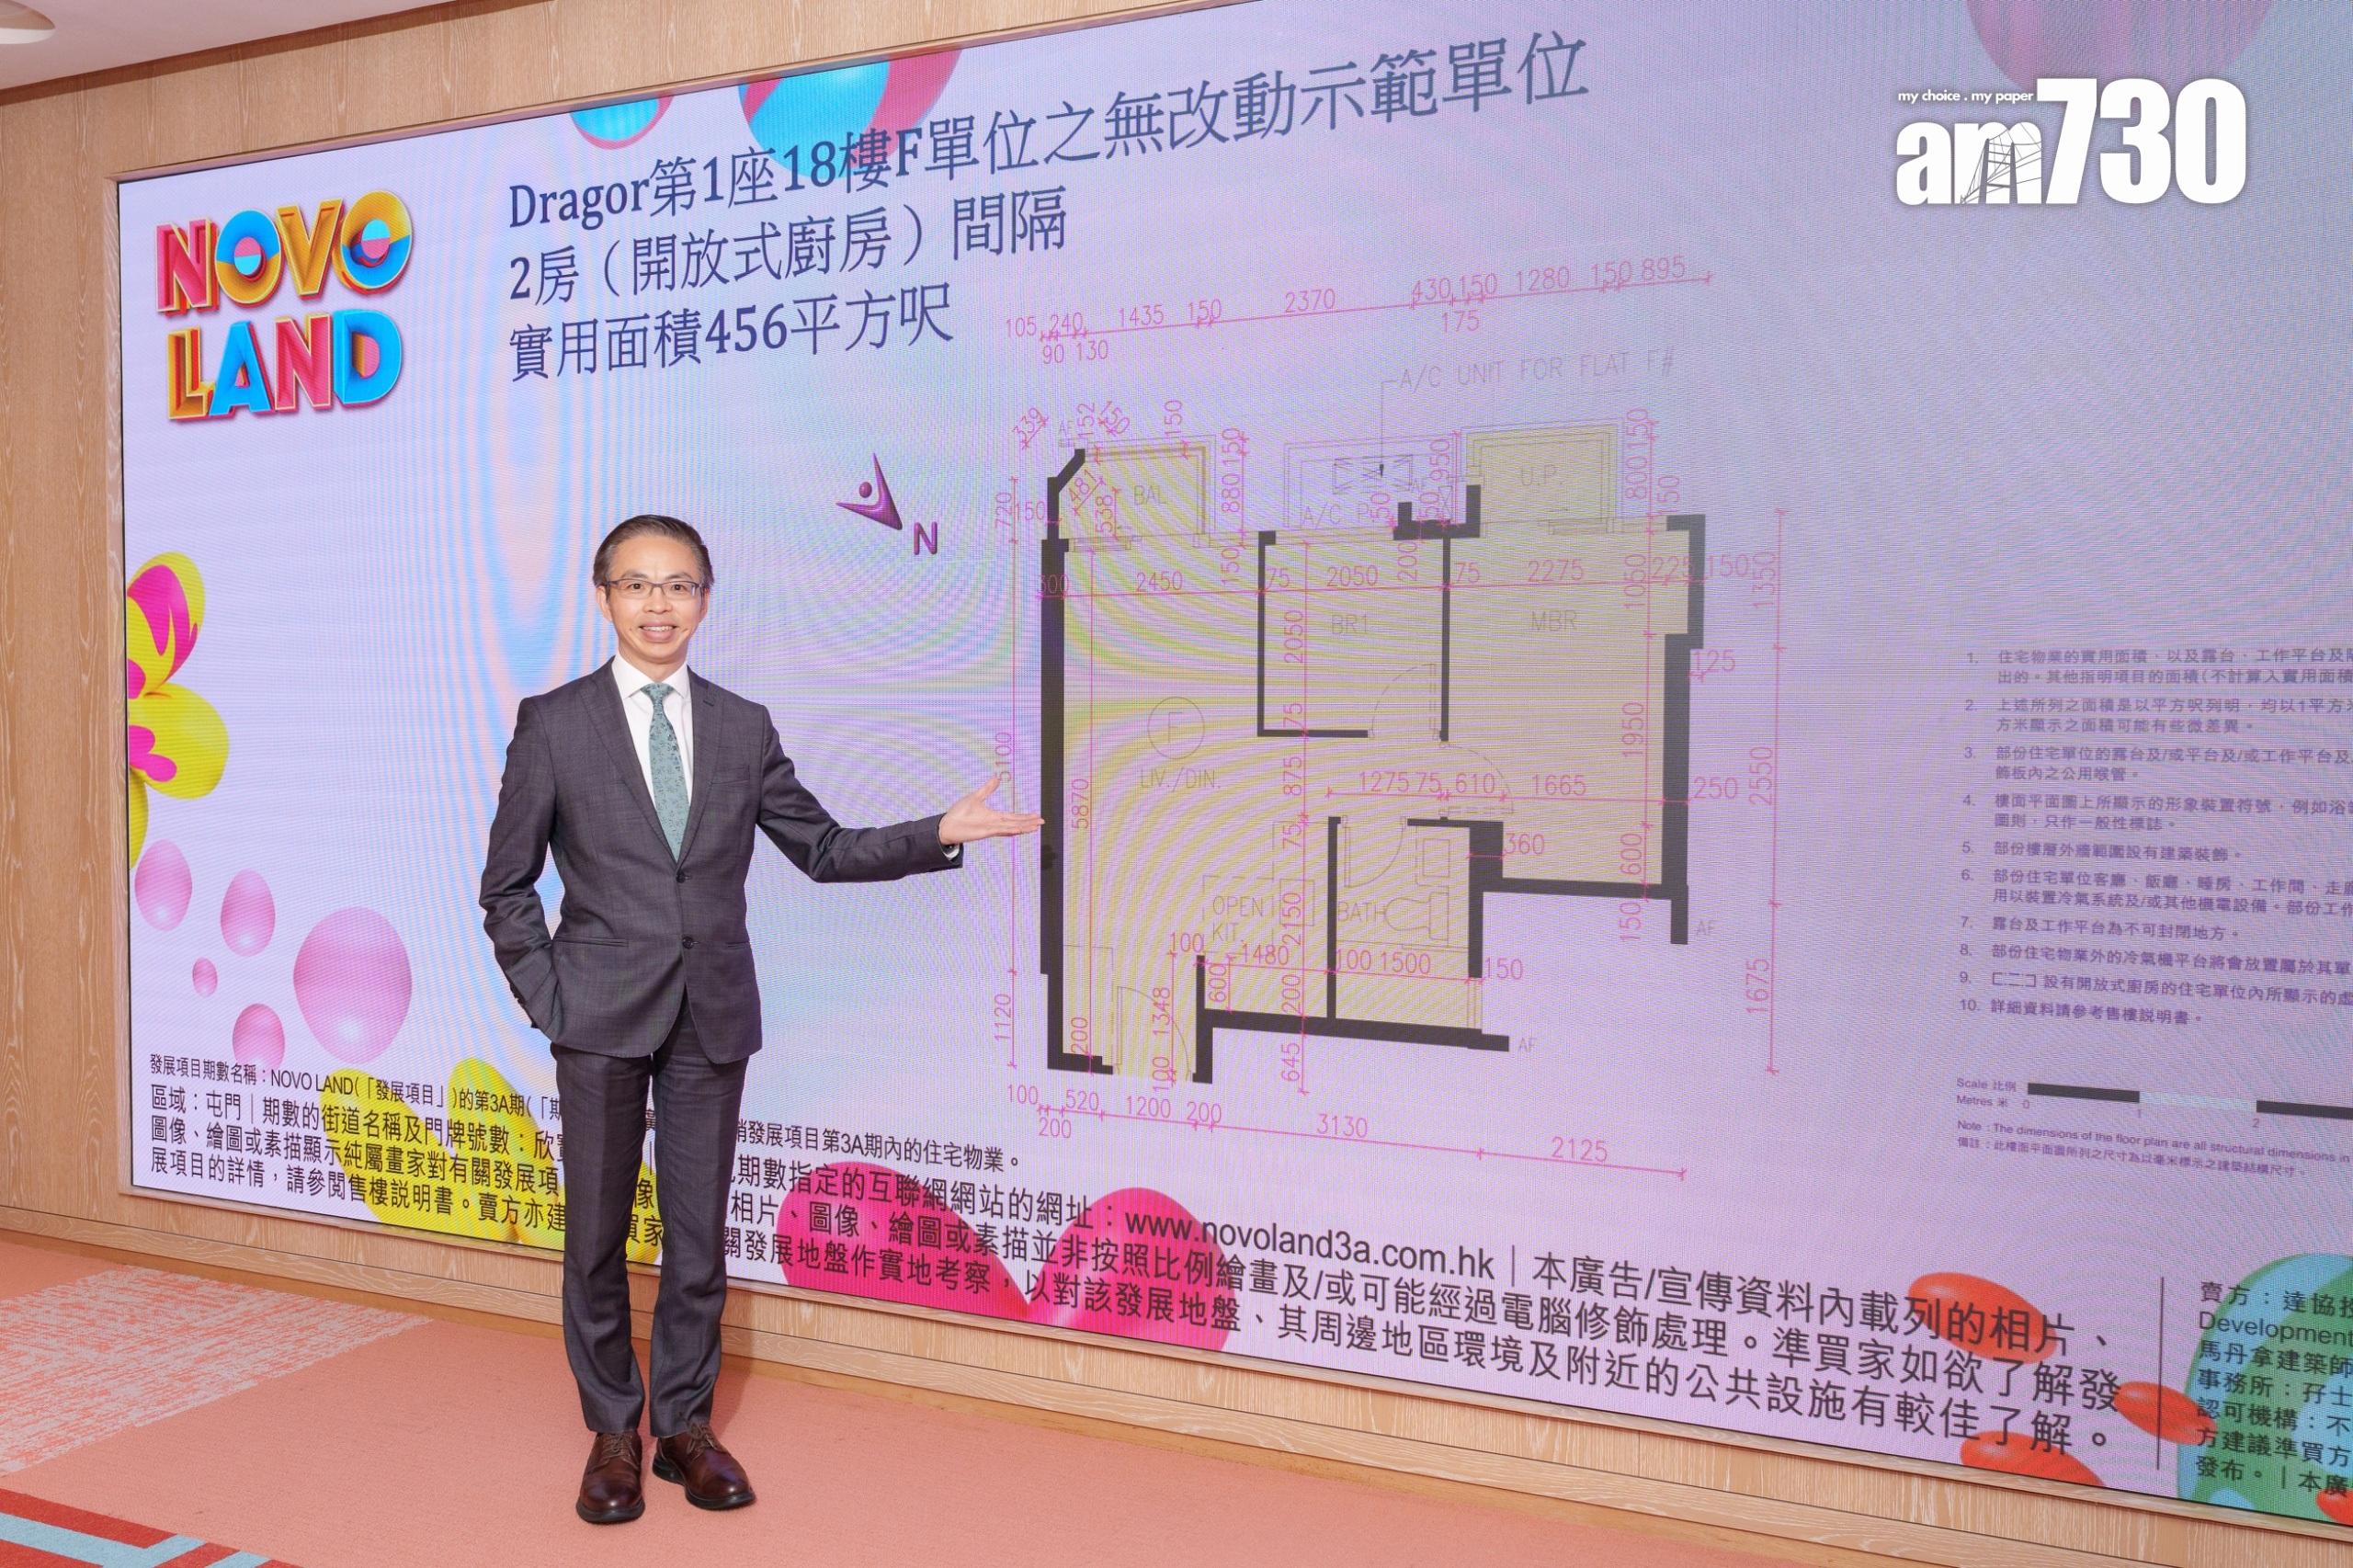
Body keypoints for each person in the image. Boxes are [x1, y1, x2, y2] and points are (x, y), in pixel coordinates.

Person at [479, 514, 1040, 1525]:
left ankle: (684, 1429)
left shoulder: (742, 725)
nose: (658, 604)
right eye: (638, 584)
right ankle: (613, 1432)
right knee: (596, 1236)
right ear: (604, 597)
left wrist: (937, 832)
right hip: (597, 1015)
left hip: (712, 1015)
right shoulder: (554, 722)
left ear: (705, 598)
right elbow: (507, 885)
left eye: (679, 584)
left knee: (698, 1239)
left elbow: (821, 848)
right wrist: (551, 999)